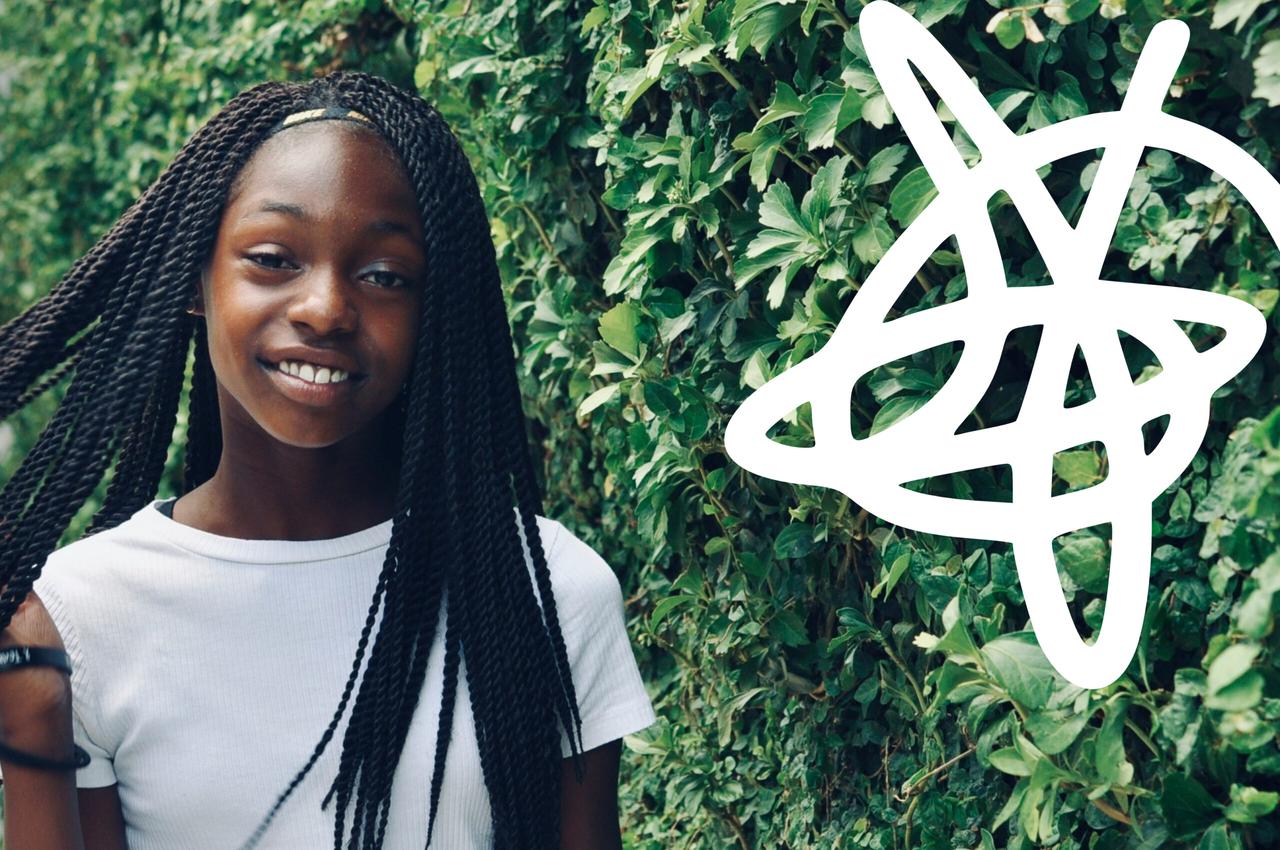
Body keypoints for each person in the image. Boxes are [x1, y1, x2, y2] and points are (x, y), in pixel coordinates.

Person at [0, 71, 656, 850]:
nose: (325, 309)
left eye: (384, 275)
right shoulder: (80, 614)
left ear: (432, 310)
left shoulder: (545, 594)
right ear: (195, 281)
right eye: (274, 258)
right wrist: (33, 722)